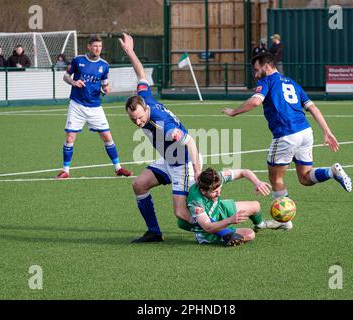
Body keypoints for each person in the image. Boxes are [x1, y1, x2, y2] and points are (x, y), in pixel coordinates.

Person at [119, 33, 242, 245]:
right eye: (133, 119)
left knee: (182, 214)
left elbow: (191, 142)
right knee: (139, 185)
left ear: (146, 110)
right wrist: (130, 52)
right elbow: (141, 75)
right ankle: (154, 232)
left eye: (139, 118)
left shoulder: (161, 125)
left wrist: (195, 170)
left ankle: (225, 232)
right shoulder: (144, 98)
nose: (138, 123)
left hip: (182, 163)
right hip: (168, 159)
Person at [222, 52, 352, 230]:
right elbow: (312, 107)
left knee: (275, 178)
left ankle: (283, 221)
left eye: (256, 69)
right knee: (305, 178)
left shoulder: (266, 81)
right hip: (306, 132)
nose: (255, 74)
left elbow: (255, 102)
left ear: (266, 67)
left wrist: (234, 112)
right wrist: (327, 131)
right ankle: (331, 172)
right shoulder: (292, 82)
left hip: (286, 135)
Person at [56, 35, 133, 179]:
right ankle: (66, 170)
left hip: (95, 106)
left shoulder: (104, 65)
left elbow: (104, 85)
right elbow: (66, 76)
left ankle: (118, 168)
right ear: (89, 46)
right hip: (77, 105)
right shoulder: (78, 60)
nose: (98, 49)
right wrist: (74, 82)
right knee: (70, 138)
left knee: (107, 136)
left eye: (100, 46)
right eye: (95, 46)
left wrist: (106, 89)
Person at [185, 167, 288, 246]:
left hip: (219, 208)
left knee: (256, 206)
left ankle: (260, 225)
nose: (219, 194)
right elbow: (207, 227)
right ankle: (224, 237)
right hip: (209, 231)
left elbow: (244, 172)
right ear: (203, 191)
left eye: (220, 189)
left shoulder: (216, 178)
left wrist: (257, 182)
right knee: (250, 234)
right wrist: (230, 220)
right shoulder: (196, 202)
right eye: (215, 192)